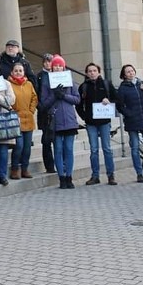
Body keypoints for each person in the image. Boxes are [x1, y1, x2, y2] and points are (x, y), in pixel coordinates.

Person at [39, 55, 80, 189]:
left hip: (69, 119)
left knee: (68, 149)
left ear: (63, 67)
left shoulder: (70, 80)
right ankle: (61, 177)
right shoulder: (46, 82)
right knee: (58, 149)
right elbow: (44, 104)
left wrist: (64, 95)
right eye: (55, 65)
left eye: (60, 65)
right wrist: (54, 95)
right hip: (55, 120)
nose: (57, 67)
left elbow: (77, 99)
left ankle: (69, 176)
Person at [76, 63, 118, 185]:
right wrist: (85, 117)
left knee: (107, 149)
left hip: (104, 122)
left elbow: (117, 99)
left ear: (99, 72)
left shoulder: (106, 84)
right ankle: (95, 176)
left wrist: (109, 101)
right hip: (91, 123)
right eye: (90, 71)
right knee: (94, 150)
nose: (92, 73)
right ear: (86, 73)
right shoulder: (83, 87)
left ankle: (111, 175)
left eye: (94, 70)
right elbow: (78, 105)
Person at [8, 63, 38, 179]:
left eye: (20, 70)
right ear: (12, 72)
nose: (18, 73)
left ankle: (25, 168)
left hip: (28, 119)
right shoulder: (9, 84)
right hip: (16, 119)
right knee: (18, 146)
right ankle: (15, 168)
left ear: (24, 72)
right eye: (16, 70)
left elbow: (34, 98)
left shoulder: (29, 84)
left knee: (27, 147)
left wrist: (31, 110)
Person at [36, 53, 55, 173]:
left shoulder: (58, 75)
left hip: (56, 111)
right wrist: (41, 106)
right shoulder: (39, 76)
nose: (48, 63)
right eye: (46, 61)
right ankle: (49, 166)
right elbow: (36, 93)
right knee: (46, 141)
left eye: (50, 61)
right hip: (44, 112)